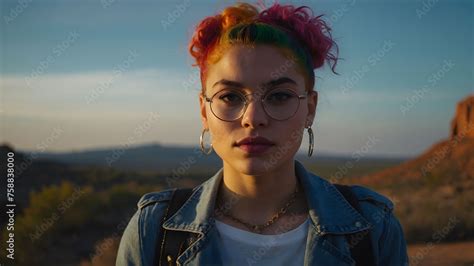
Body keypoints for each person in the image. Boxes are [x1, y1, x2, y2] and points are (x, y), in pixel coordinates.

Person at [116, 2, 408, 265]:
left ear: (311, 108)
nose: (253, 119)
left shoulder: (372, 226)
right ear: (204, 111)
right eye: (230, 97)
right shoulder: (153, 229)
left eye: (279, 96)